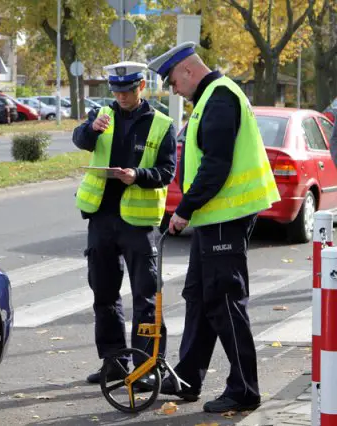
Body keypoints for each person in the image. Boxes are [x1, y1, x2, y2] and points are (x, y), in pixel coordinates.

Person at [147, 42, 280, 413]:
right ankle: (188, 377)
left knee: (224, 301)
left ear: (188, 71)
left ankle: (244, 389)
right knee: (199, 296)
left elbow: (216, 165)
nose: (174, 90)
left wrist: (184, 209)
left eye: (174, 81)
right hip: (213, 216)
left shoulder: (220, 98)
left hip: (225, 216)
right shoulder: (210, 97)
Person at [73, 62, 177, 387]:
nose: (121, 97)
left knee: (146, 297)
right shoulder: (102, 114)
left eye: (127, 91)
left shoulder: (161, 124)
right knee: (103, 293)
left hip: (139, 223)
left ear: (141, 87)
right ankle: (114, 362)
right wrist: (91, 130)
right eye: (116, 91)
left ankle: (147, 367)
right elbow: (80, 140)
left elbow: (167, 172)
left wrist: (138, 175)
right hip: (102, 217)